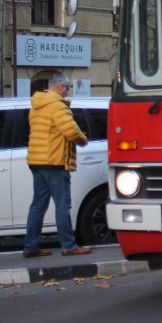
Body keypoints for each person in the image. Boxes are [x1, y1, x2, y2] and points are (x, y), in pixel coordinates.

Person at [23, 72, 91, 258]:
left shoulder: (37, 105)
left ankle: (30, 246)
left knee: (38, 205)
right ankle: (69, 246)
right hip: (54, 161)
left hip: (37, 161)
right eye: (67, 88)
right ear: (60, 86)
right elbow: (70, 130)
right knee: (63, 205)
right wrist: (83, 139)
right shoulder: (57, 106)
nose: (66, 93)